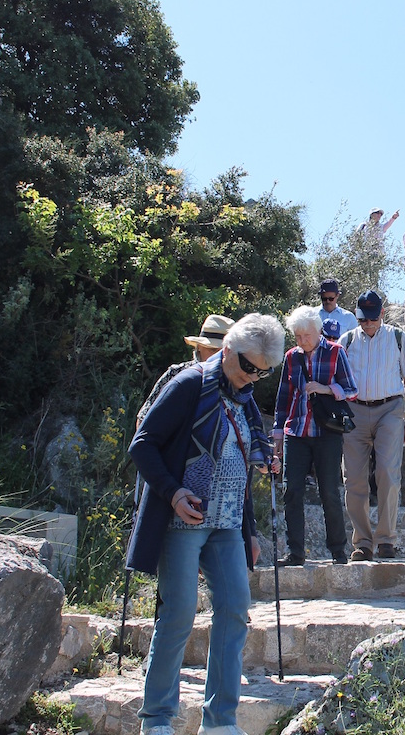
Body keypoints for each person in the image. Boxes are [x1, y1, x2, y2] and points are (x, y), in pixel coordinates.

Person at [127, 313, 285, 735]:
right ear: (228, 350)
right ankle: (157, 719)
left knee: (235, 612)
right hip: (185, 520)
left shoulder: (246, 399)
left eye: (263, 373)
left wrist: (250, 529)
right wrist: (173, 492)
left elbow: (240, 467)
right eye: (248, 367)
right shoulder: (188, 385)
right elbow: (142, 445)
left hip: (228, 524)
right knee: (177, 615)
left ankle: (219, 722)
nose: (253, 378)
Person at [271, 306, 358, 566]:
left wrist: (325, 388)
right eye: (297, 337)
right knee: (291, 491)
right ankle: (295, 552)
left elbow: (351, 389)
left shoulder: (335, 352)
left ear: (318, 331)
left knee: (329, 491)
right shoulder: (291, 357)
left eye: (305, 336)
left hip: (326, 432)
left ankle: (338, 551)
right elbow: (283, 396)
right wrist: (277, 435)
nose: (301, 342)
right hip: (296, 431)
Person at [340, 290, 405, 561]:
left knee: (387, 471)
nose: (368, 324)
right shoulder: (347, 341)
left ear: (381, 314)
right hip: (355, 413)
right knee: (354, 481)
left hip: (390, 410)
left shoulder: (397, 339)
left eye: (372, 318)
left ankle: (386, 540)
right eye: (363, 319)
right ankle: (362, 543)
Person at [136, 314, 233, 429]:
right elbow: (143, 419)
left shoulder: (236, 387)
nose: (218, 357)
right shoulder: (176, 374)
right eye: (213, 350)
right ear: (199, 347)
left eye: (223, 352)